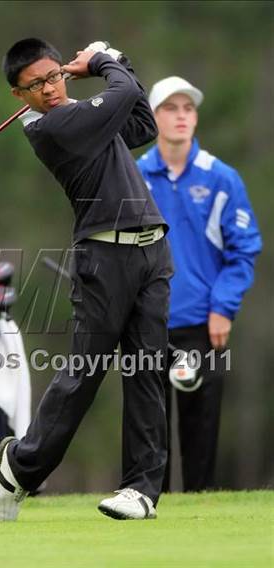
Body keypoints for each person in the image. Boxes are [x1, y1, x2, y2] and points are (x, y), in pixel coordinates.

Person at [0, 38, 173, 522]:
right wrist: (105, 61)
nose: (49, 89)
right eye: (35, 85)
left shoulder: (87, 114)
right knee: (84, 375)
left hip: (152, 251)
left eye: (53, 76)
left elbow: (142, 119)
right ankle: (21, 465)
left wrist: (117, 62)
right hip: (103, 257)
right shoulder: (54, 128)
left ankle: (141, 491)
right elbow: (121, 92)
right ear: (19, 96)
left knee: (147, 373)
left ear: (61, 74)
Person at [137, 76, 262, 491]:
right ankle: (147, 505)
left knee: (201, 435)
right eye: (171, 108)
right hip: (148, 324)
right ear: (154, 117)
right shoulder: (134, 177)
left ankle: (199, 515)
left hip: (201, 326)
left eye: (188, 109)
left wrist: (223, 308)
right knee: (149, 434)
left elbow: (243, 250)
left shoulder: (221, 177)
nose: (181, 116)